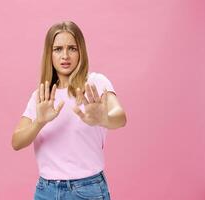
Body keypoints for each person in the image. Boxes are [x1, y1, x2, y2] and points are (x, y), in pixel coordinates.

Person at [11, 21, 127, 200]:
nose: (65, 55)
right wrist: (39, 122)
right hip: (46, 190)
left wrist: (102, 118)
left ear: (81, 51)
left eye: (72, 48)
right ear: (49, 54)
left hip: (88, 189)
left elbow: (120, 117)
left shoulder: (95, 83)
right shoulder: (42, 96)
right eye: (58, 49)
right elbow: (16, 142)